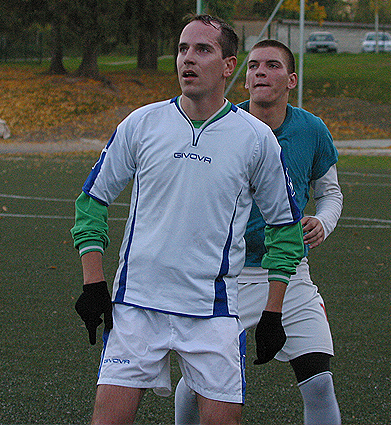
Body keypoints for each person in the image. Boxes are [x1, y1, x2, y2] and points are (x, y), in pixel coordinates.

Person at [71, 16, 305, 425]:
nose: (187, 59)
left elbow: (285, 229)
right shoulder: (142, 123)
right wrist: (93, 282)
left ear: (228, 66)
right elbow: (92, 200)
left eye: (202, 50)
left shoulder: (255, 138)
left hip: (212, 312)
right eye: (182, 49)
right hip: (136, 306)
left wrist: (273, 311)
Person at [174, 40, 343, 425]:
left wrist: (323, 221)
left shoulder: (312, 129)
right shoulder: (221, 125)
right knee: (197, 384)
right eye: (253, 66)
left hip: (290, 275)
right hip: (225, 277)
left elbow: (330, 193)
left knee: (319, 383)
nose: (261, 72)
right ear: (245, 80)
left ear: (291, 80)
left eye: (272, 65)